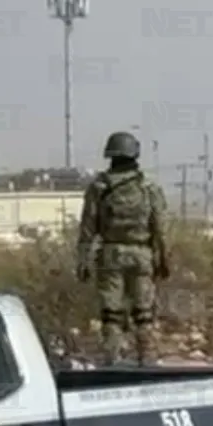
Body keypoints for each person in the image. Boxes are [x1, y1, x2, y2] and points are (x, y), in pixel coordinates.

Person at [75, 130, 172, 365]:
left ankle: (112, 358)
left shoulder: (99, 187)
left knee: (111, 312)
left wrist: (83, 260)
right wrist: (164, 259)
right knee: (144, 312)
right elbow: (161, 227)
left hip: (110, 255)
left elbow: (88, 228)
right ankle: (146, 357)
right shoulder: (149, 187)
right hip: (142, 255)